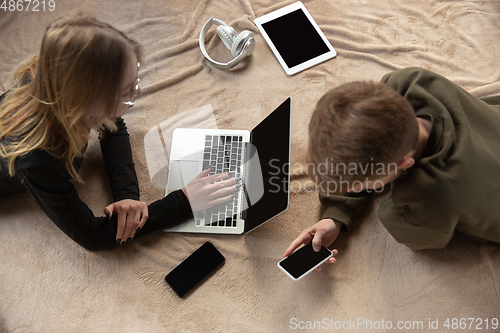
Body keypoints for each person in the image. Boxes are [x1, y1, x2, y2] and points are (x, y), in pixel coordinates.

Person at [0, 14, 238, 251]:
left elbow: (112, 128)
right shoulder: (37, 161)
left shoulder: (58, 74)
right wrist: (184, 202)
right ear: (85, 102)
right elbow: (92, 236)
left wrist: (127, 197)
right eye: (128, 90)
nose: (140, 92)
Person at [284, 67, 500, 265]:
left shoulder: (421, 202)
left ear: (405, 164)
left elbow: (427, 241)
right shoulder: (410, 81)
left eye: (360, 184)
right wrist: (335, 213)